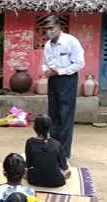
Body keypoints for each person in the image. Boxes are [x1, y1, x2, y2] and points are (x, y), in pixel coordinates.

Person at [41, 15, 85, 160]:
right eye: (46, 29)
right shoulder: (48, 45)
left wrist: (60, 71)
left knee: (66, 115)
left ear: (58, 26)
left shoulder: (70, 41)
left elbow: (79, 63)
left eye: (51, 28)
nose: (49, 32)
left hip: (67, 79)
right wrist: (46, 70)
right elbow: (45, 63)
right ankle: (53, 148)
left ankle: (64, 153)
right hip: (53, 81)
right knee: (53, 115)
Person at [25, 114, 71, 188]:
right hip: (56, 181)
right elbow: (64, 166)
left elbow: (28, 165)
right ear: (50, 128)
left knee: (23, 165)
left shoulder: (30, 142)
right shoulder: (57, 144)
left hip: (35, 180)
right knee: (68, 167)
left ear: (35, 127)